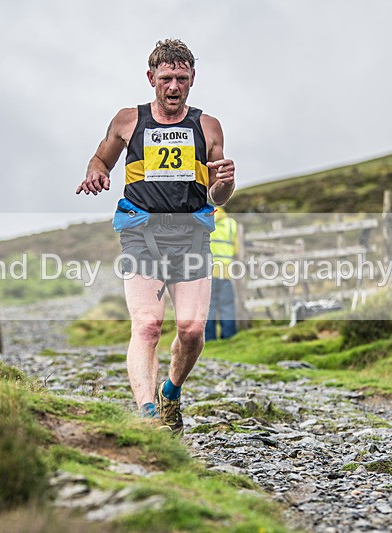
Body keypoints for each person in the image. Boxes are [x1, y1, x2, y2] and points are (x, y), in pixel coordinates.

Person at [75, 39, 236, 434]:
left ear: (193, 78)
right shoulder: (128, 121)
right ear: (151, 78)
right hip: (141, 232)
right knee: (147, 325)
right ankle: (148, 415)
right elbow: (101, 158)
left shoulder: (207, 126)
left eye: (182, 78)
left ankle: (171, 391)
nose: (174, 87)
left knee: (191, 330)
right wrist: (97, 172)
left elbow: (216, 195)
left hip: (193, 234)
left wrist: (227, 185)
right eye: (166, 78)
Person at [205, 207, 238, 341]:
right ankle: (229, 337)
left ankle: (209, 338)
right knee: (227, 306)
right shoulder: (231, 224)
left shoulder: (205, 223)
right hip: (225, 273)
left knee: (208, 307)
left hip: (207, 273)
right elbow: (236, 248)